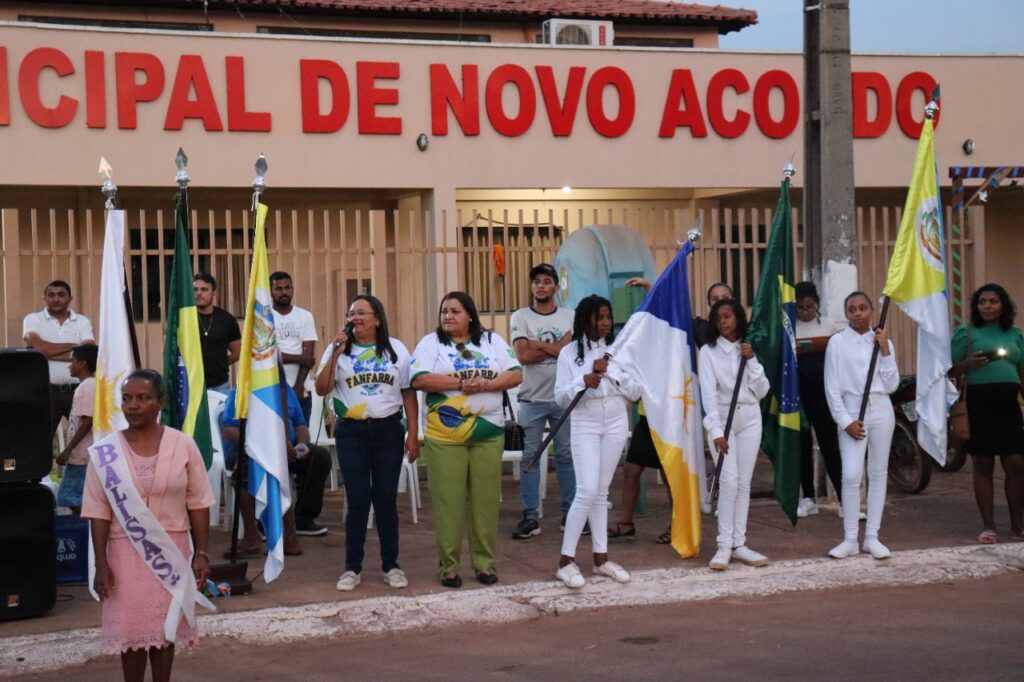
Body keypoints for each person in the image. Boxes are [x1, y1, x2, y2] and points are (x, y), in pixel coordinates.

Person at [81, 370, 214, 682]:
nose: (133, 405)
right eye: (127, 398)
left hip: (172, 550)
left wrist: (202, 553)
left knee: (165, 629)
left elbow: (199, 502)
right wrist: (101, 563)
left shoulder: (183, 445)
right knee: (131, 633)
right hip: (124, 553)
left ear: (160, 403)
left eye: (142, 398)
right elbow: (98, 512)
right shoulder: (105, 453)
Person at [410, 291, 522, 588]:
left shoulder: (491, 341)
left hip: (489, 434)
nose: (447, 316)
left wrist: (485, 384)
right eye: (444, 311)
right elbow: (419, 378)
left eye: (455, 311)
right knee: (449, 503)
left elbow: (515, 374)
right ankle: (448, 567)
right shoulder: (431, 343)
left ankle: (484, 564)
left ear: (470, 315)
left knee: (486, 502)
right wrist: (461, 383)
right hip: (445, 437)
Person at [315, 295, 419, 591]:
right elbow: (322, 388)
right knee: (358, 500)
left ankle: (391, 565)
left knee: (385, 500)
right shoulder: (338, 349)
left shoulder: (395, 349)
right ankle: (352, 567)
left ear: (377, 318)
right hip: (352, 432)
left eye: (361, 312)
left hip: (388, 431)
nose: (355, 318)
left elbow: (408, 392)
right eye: (351, 313)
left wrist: (413, 433)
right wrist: (336, 353)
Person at [554, 295, 640, 589]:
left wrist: (611, 373)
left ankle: (600, 559)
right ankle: (565, 561)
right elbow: (560, 396)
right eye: (599, 317)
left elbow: (636, 391)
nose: (605, 323)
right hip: (586, 421)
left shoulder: (618, 351)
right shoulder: (569, 354)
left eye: (608, 317)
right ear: (585, 319)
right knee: (587, 489)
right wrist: (583, 380)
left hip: (615, 418)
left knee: (602, 491)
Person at [221, 372, 333, 555]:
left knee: (319, 458)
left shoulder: (285, 391)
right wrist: (262, 447)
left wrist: (302, 444)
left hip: (286, 449)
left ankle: (302, 518)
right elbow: (229, 430)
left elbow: (300, 425)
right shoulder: (243, 390)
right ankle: (254, 535)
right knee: (248, 468)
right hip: (249, 450)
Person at [824, 291, 899, 560]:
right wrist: (845, 421)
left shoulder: (881, 340)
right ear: (846, 314)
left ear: (871, 311)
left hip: (880, 407)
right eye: (852, 309)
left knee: (878, 473)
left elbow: (892, 384)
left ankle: (872, 537)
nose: (857, 313)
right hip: (852, 409)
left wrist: (885, 350)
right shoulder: (837, 343)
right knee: (852, 475)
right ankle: (849, 539)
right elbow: (831, 388)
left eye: (863, 308)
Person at [699, 299, 771, 571]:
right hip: (723, 418)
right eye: (718, 318)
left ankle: (739, 543)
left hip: (750, 416)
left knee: (743, 482)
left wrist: (751, 360)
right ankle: (723, 544)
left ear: (738, 318)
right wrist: (716, 430)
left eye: (727, 316)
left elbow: (762, 390)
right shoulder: (709, 352)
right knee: (728, 481)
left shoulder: (747, 348)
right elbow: (708, 394)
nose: (722, 322)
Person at [949, 283, 1024, 544]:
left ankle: (1018, 526)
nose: (987, 306)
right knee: (983, 464)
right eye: (982, 302)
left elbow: (1021, 372)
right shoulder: (966, 333)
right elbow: (949, 371)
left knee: (1016, 464)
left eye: (993, 301)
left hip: (1009, 407)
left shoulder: (1015, 334)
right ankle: (989, 526)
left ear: (1004, 305)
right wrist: (968, 363)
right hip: (979, 405)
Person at [508, 263, 576, 539]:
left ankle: (570, 514)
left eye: (546, 281)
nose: (540, 286)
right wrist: (557, 348)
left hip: (563, 398)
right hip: (531, 399)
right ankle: (530, 516)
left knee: (566, 456)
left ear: (556, 287)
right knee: (530, 458)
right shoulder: (520, 317)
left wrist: (537, 343)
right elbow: (523, 356)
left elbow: (569, 352)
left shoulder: (570, 316)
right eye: (536, 281)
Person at [610, 276, 673, 544]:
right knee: (631, 469)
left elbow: (665, 306)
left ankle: (677, 525)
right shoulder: (640, 342)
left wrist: (650, 286)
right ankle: (625, 524)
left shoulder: (671, 336)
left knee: (670, 473)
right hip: (648, 416)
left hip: (669, 416)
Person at [794, 281, 843, 518]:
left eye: (810, 306)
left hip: (824, 395)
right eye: (800, 307)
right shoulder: (789, 327)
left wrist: (806, 346)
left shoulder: (830, 326)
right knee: (802, 447)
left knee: (830, 446)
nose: (805, 311)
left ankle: (844, 499)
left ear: (817, 304)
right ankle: (808, 498)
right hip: (799, 395)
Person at [22, 279, 96, 436]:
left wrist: (48, 352)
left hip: (78, 390)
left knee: (87, 437)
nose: (56, 299)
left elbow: (87, 353)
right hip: (46, 392)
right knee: (39, 439)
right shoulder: (33, 319)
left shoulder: (82, 321)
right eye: (51, 295)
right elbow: (38, 349)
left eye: (61, 295)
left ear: (70, 298)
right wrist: (74, 347)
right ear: (44, 298)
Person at [55, 343, 98, 514]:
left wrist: (68, 450)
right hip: (80, 455)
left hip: (82, 456)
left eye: (72, 361)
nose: (69, 365)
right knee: (77, 496)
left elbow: (88, 420)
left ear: (82, 364)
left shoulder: (88, 387)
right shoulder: (86, 386)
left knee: (69, 496)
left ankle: (93, 522)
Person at [270, 271, 318, 423]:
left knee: (301, 434)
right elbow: (268, 356)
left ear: (292, 288)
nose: (283, 292)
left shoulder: (305, 316)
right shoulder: (264, 318)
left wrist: (298, 386)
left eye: (287, 288)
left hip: (300, 391)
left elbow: (309, 356)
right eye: (278, 289)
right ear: (271, 291)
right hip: (272, 392)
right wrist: (300, 358)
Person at [193, 272, 241, 395]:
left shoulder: (227, 319)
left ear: (213, 293)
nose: (199, 293)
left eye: (204, 289)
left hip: (220, 386)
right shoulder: (184, 319)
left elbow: (238, 352)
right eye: (195, 289)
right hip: (191, 386)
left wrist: (220, 364)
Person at [692, 282, 734, 348]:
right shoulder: (700, 327)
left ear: (733, 300)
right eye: (715, 299)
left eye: (725, 298)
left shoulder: (745, 330)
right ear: (709, 303)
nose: (720, 302)